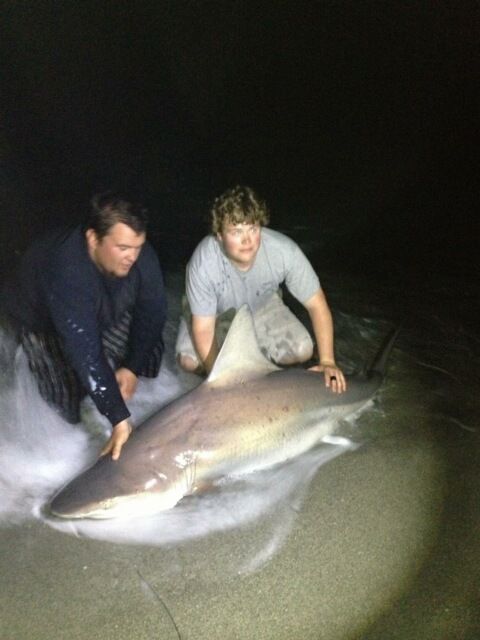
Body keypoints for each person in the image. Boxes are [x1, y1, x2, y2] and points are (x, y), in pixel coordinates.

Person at [2, 191, 167, 459]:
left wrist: (132, 367)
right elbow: (84, 350)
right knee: (66, 406)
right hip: (39, 322)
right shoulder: (65, 268)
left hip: (97, 303)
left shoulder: (141, 256)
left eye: (138, 247)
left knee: (149, 350)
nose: (133, 256)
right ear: (93, 238)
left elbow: (153, 312)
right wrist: (119, 419)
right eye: (123, 248)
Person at [175, 185, 346, 393]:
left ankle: (257, 367)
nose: (247, 240)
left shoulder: (284, 251)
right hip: (213, 313)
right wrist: (220, 381)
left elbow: (317, 304)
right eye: (236, 232)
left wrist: (328, 361)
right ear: (219, 235)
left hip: (261, 304)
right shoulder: (204, 262)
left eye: (253, 229)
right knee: (189, 361)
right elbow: (203, 329)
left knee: (302, 349)